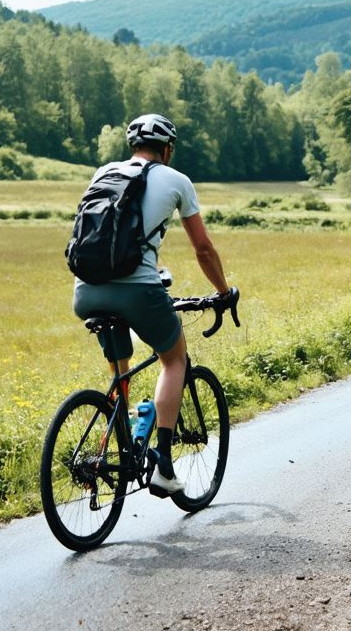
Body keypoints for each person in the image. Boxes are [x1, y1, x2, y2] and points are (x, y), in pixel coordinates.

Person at [71, 114, 232, 497]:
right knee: (173, 359)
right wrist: (223, 292)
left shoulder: (105, 172)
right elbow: (204, 249)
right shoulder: (177, 181)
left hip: (86, 290)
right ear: (168, 148)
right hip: (138, 290)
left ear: (132, 147)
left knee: (120, 368)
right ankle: (162, 464)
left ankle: (119, 438)